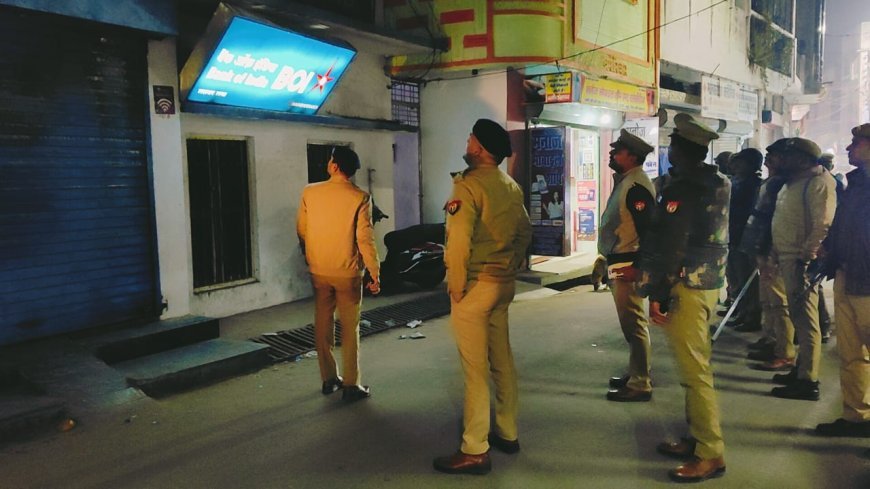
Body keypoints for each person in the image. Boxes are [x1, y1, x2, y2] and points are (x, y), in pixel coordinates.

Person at [634, 113, 730, 482]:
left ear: (680, 149)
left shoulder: (685, 188)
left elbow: (673, 244)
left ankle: (710, 452)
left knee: (694, 372)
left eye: (672, 143)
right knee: (696, 366)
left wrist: (658, 292)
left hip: (685, 285)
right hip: (705, 281)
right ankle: (697, 438)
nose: (669, 148)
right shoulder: (715, 181)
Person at [433, 119, 532, 475]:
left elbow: (459, 241)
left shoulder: (468, 185)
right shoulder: (509, 186)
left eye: (470, 138)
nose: (467, 142)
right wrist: (511, 264)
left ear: (479, 148)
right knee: (501, 360)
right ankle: (507, 431)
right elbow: (524, 231)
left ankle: (475, 449)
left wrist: (456, 285)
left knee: (475, 370)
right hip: (502, 284)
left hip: (476, 286)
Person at [295, 146, 381, 402]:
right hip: (348, 272)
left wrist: (310, 255)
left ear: (334, 166)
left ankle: (329, 378)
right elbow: (365, 239)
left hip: (319, 270)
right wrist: (374, 272)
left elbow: (302, 229)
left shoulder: (310, 192)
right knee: (349, 327)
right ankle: (351, 384)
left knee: (323, 322)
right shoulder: (360, 197)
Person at [769, 137, 837, 401]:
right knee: (799, 318)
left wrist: (807, 256)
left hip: (800, 260)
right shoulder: (794, 182)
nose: (782, 160)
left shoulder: (818, 182)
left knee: (807, 322)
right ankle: (800, 370)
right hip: (788, 256)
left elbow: (823, 223)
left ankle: (808, 380)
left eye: (787, 156)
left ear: (802, 159)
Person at [815, 123, 870, 438]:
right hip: (847, 275)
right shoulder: (855, 183)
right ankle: (856, 416)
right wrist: (831, 249)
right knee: (850, 354)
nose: (849, 149)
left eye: (856, 143)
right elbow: (843, 224)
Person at [598, 129, 656, 402]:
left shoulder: (636, 187)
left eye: (617, 151)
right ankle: (637, 372)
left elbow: (648, 232)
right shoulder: (626, 182)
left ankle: (640, 383)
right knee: (630, 325)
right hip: (619, 261)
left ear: (632, 157)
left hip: (628, 263)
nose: (612, 154)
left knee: (634, 325)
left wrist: (640, 266)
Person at [739, 139, 796, 371]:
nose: (769, 160)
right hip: (761, 246)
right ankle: (771, 340)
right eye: (769, 156)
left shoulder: (783, 184)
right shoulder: (770, 182)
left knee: (779, 303)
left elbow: (777, 220)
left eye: (775, 156)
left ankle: (785, 351)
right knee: (768, 300)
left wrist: (770, 249)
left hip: (773, 249)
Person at [723, 148, 763, 333]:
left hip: (744, 238)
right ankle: (741, 311)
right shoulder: (736, 182)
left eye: (741, 162)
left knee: (747, 279)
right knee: (736, 278)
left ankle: (752, 315)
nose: (736, 165)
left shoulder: (754, 186)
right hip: (732, 235)